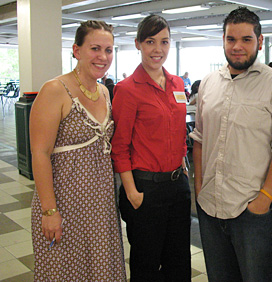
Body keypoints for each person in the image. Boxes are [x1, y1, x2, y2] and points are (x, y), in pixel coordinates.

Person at [189, 7, 272, 282]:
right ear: (223, 40)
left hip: (252, 209)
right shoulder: (209, 83)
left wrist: (263, 199)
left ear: (259, 41)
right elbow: (201, 139)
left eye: (246, 39)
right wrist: (200, 187)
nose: (237, 47)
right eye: (231, 39)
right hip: (210, 204)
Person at [30, 20, 126, 281]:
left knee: (99, 269)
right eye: (95, 48)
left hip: (101, 204)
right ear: (77, 50)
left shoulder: (105, 92)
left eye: (109, 50)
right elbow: (39, 153)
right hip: (65, 201)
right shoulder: (55, 90)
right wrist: (50, 211)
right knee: (65, 270)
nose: (103, 56)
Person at [111, 15, 191, 281]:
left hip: (177, 187)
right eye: (150, 41)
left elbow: (179, 129)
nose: (158, 49)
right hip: (145, 189)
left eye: (164, 42)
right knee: (146, 266)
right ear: (138, 44)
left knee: (178, 263)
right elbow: (119, 146)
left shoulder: (178, 84)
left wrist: (181, 159)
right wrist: (132, 192)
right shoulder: (127, 89)